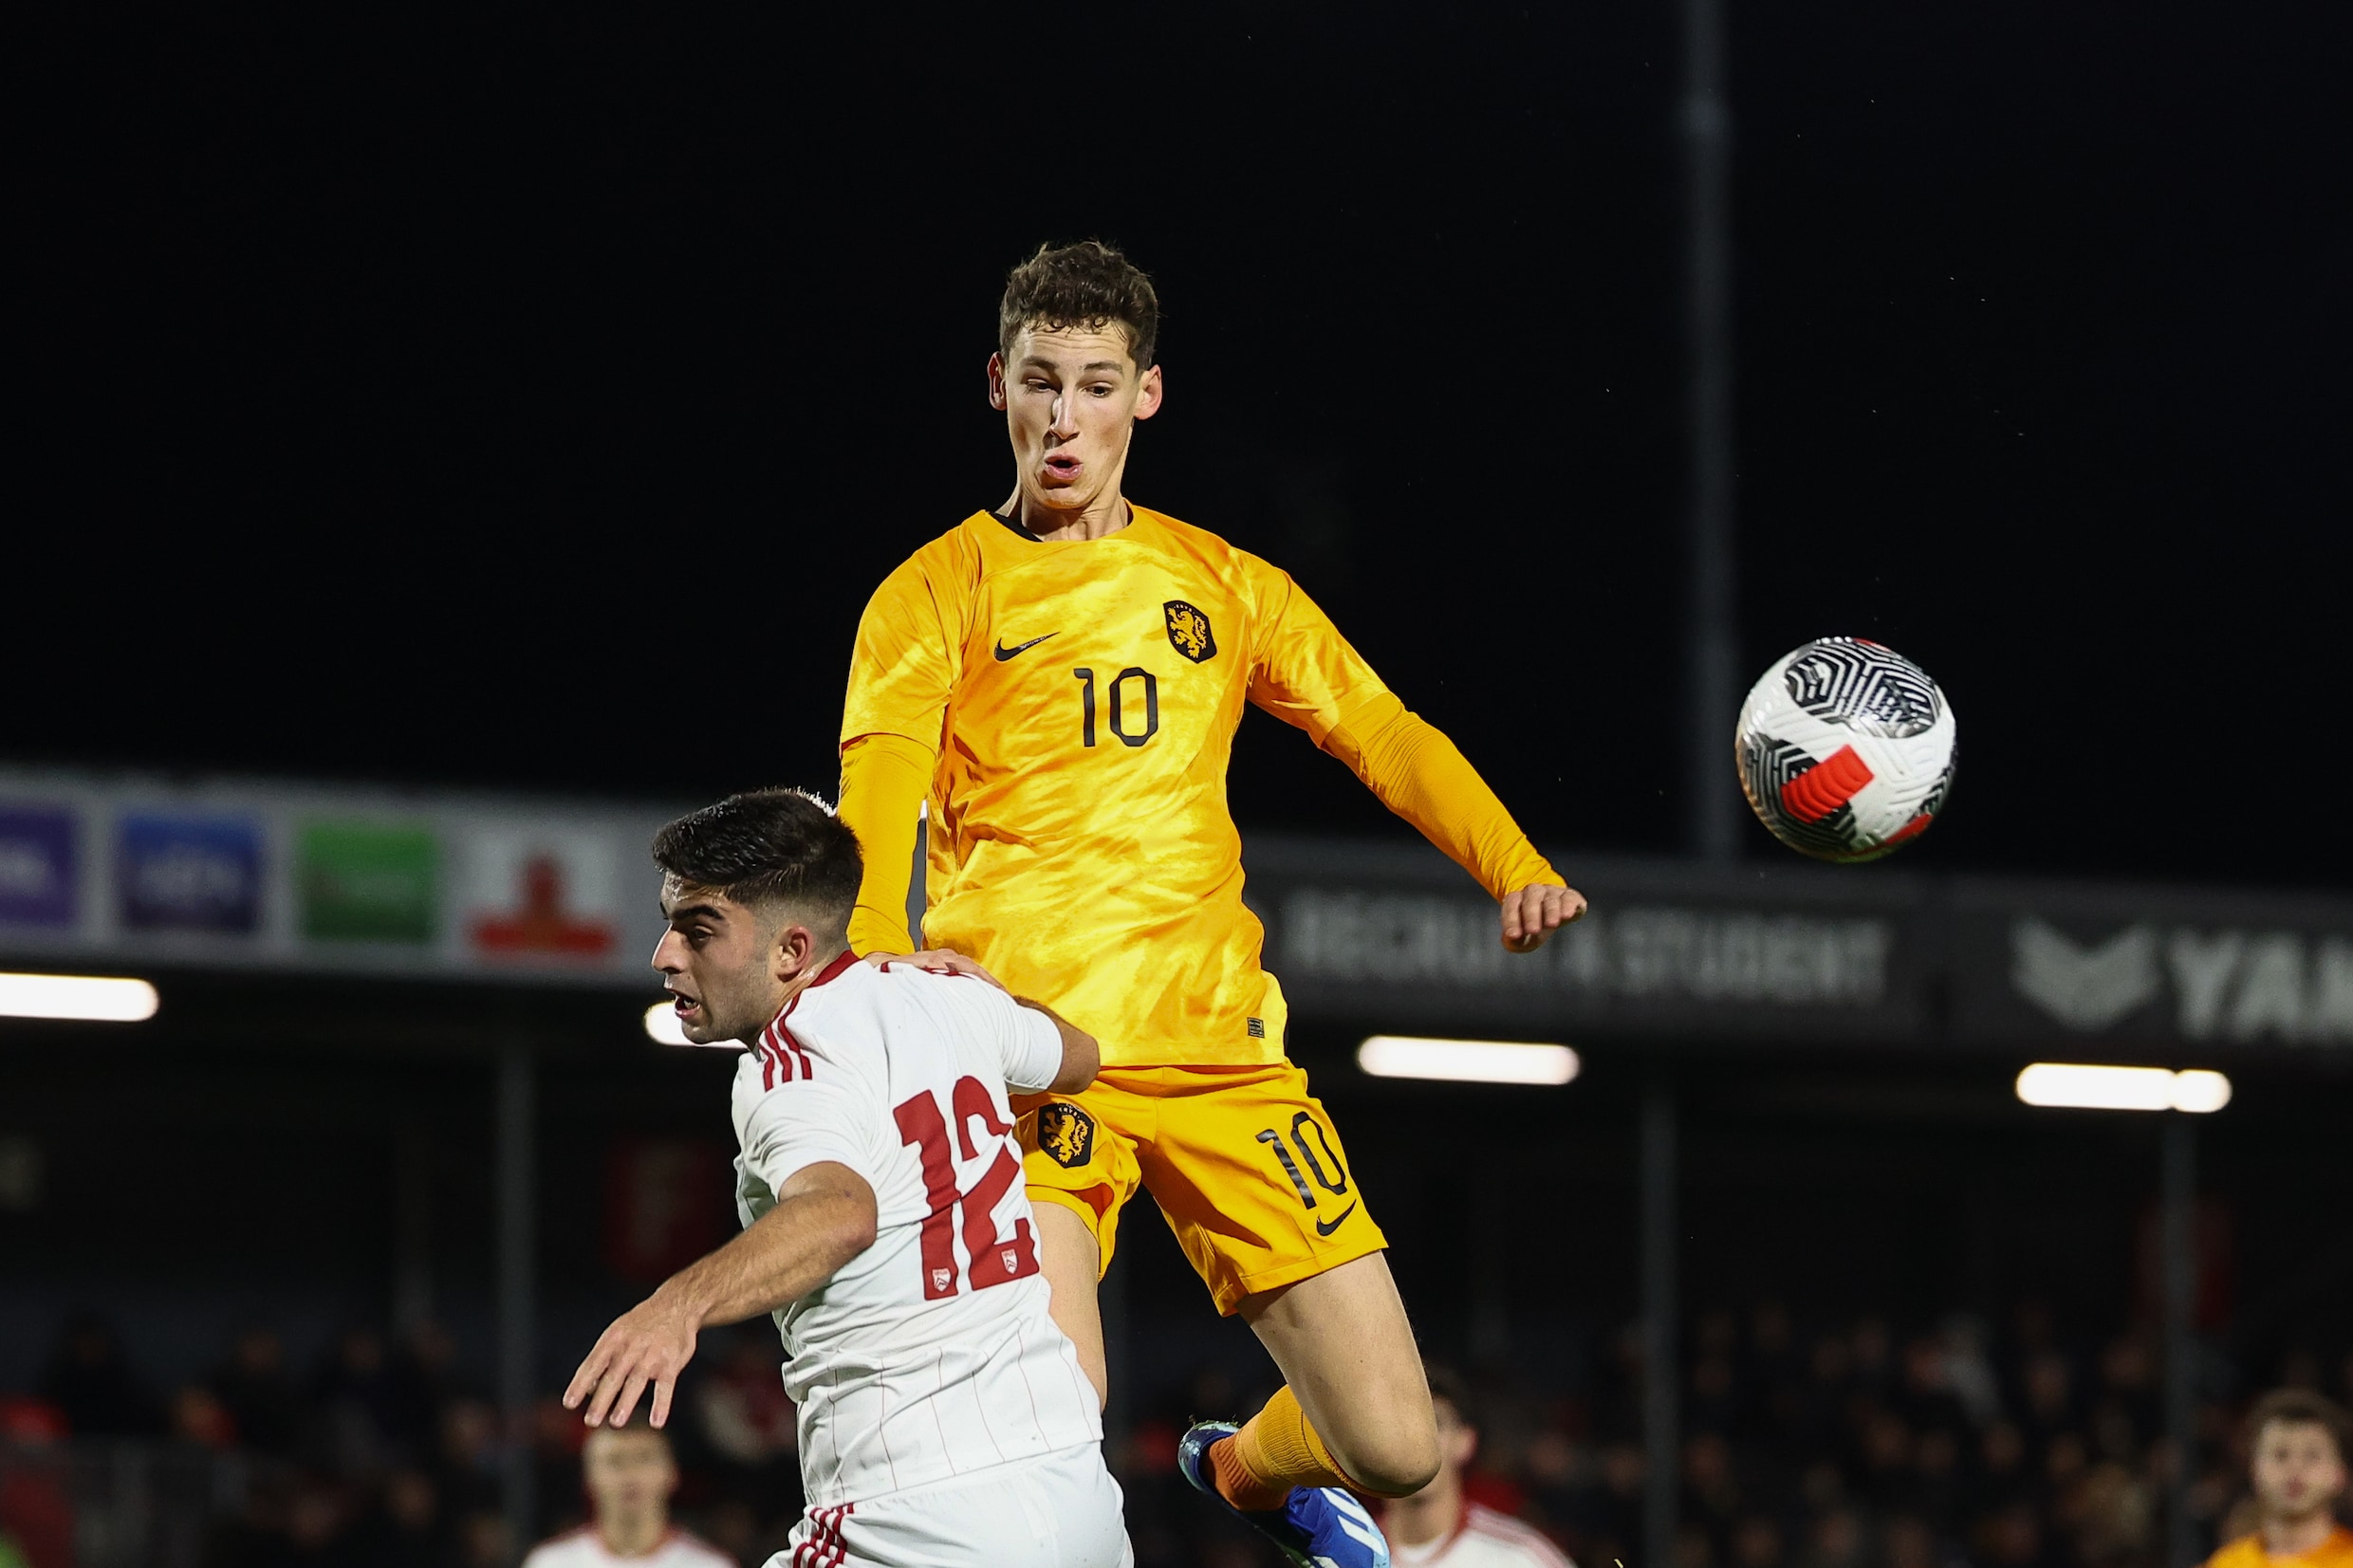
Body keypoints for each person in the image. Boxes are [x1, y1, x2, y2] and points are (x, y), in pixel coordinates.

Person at [835, 239, 1585, 1566]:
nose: (1065, 417)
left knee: (1401, 1447)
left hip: (1224, 1059)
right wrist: (885, 975)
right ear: (995, 384)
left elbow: (1382, 730)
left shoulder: (1226, 584)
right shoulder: (932, 590)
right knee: (1053, 1430)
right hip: (1029, 1066)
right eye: (1041, 382)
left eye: (1097, 385)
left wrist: (1512, 861)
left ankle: (1244, 1472)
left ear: (1149, 396)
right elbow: (877, 800)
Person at [562, 788, 1129, 1568]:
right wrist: (988, 992)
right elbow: (1081, 1057)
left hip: (912, 1517)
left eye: (698, 930)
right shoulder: (946, 997)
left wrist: (677, 1305)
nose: (665, 953)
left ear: (792, 951)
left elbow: (839, 1211)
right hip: (1078, 1498)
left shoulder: (786, 1069)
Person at [1379, 1369, 1574, 1568]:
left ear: (1465, 1442)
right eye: (1399, 1426)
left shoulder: (1522, 1557)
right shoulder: (1349, 1555)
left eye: (1435, 1424)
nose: (1416, 1442)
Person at [520, 1427, 730, 1568]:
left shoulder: (709, 1565)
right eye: (615, 1461)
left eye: (643, 1458)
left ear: (672, 1473)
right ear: (588, 1477)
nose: (630, 1474)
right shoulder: (550, 1563)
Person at [2203, 1391, 2352, 1568]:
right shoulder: (2226, 1563)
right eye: (2280, 1454)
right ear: (2254, 1469)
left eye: (2312, 1455)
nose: (2295, 1468)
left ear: (2340, 1472)